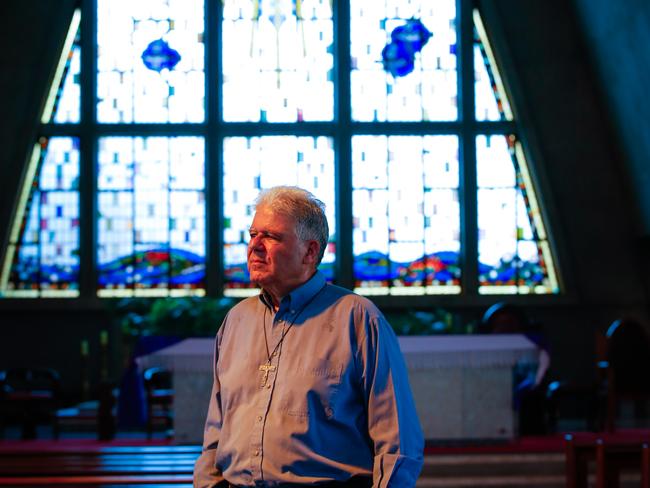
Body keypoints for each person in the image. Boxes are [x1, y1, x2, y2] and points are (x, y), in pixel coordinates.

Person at [194, 186, 424, 487]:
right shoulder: (236, 321)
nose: (255, 246)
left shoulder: (358, 319)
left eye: (272, 237)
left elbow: (397, 441)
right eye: (253, 235)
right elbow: (217, 430)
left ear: (311, 251)